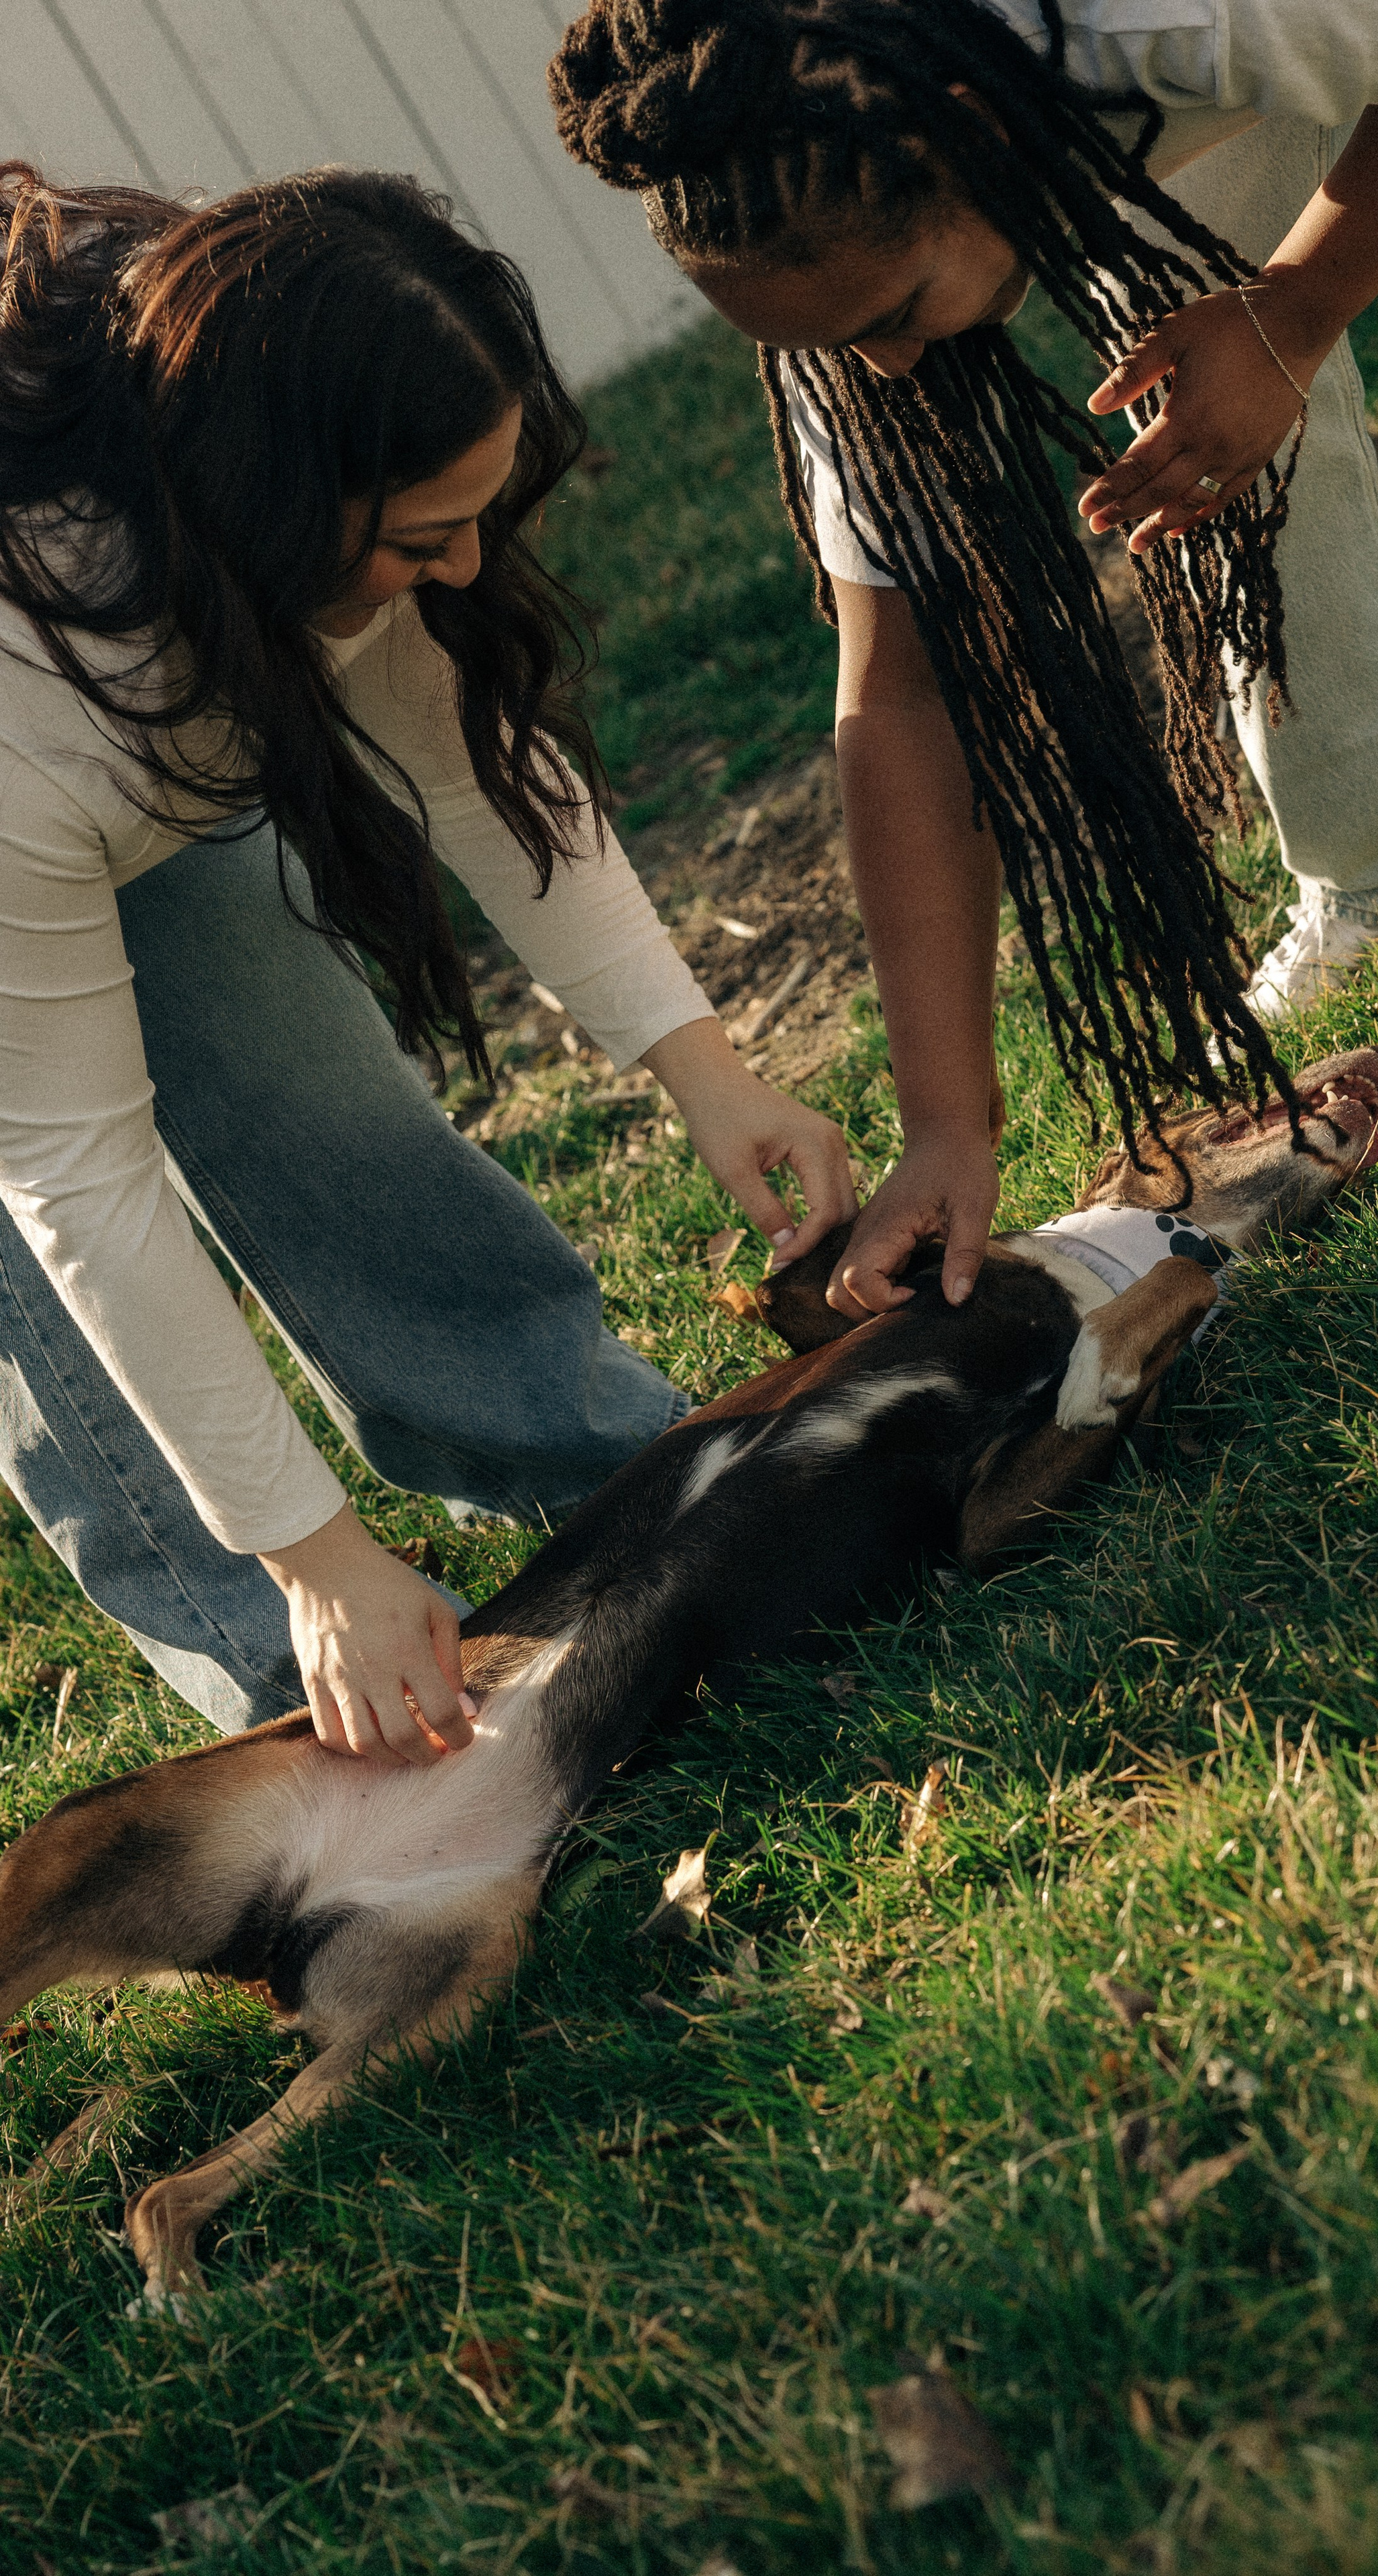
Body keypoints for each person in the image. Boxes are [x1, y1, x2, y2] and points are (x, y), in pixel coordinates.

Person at [549, 0, 1378, 1322]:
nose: (875, 361)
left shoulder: (1153, 12)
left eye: (888, 311)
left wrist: (1296, 310)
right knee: (1189, 387)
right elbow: (902, 686)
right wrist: (943, 1123)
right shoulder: (810, 191)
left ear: (977, 139)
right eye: (824, 343)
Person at [0, 164, 855, 1764]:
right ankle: (297, 1680)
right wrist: (309, 1555)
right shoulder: (32, 714)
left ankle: (582, 1459)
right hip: (22, 768)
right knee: (41, 1271)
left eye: (480, 518)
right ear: (273, 504)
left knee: (297, 1062)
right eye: (424, 537)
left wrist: (707, 1069)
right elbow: (83, 1183)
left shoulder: (246, 403)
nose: (466, 572)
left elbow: (473, 760)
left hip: (114, 711)